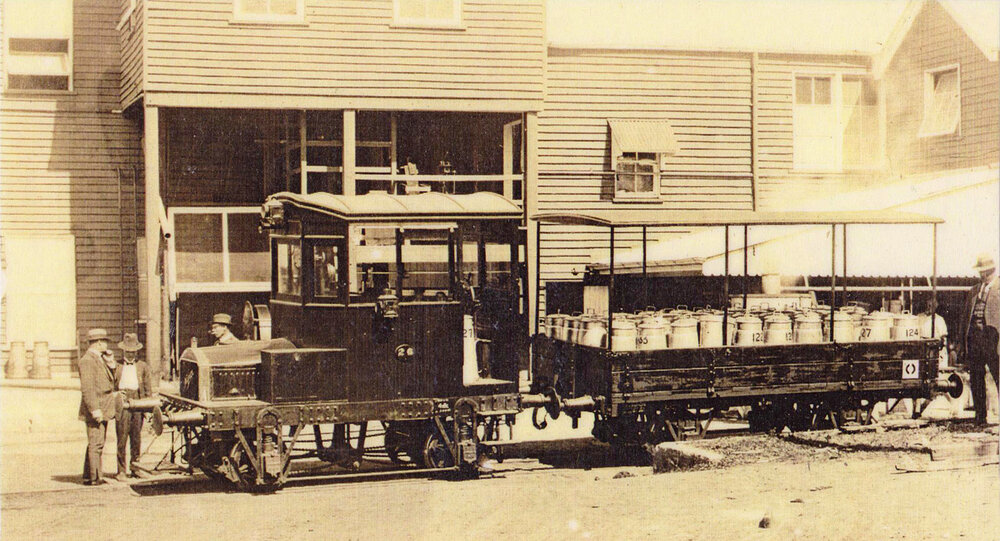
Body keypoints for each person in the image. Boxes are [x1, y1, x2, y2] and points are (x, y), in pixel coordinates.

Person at [958, 253, 1000, 425]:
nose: (982, 275)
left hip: (993, 341)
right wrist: (962, 341)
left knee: (998, 376)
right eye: (980, 272)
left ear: (992, 270)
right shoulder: (974, 291)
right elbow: (965, 318)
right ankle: (980, 416)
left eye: (984, 272)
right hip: (975, 341)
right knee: (976, 378)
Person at [78, 328, 118, 485]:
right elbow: (87, 389)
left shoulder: (99, 358)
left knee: (96, 442)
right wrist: (95, 410)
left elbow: (110, 379)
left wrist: (110, 362)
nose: (107, 345)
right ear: (99, 342)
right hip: (97, 408)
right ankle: (95, 478)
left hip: (103, 407)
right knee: (96, 444)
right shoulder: (87, 361)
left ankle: (89, 475)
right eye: (105, 342)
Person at [114, 333, 153, 480]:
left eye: (133, 352)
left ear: (137, 352)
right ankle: (121, 471)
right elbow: (111, 386)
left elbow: (148, 389)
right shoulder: (116, 366)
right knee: (122, 438)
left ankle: (135, 468)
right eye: (128, 352)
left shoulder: (143, 366)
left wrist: (148, 408)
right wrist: (117, 393)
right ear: (123, 351)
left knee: (136, 438)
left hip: (138, 402)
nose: (130, 355)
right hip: (123, 402)